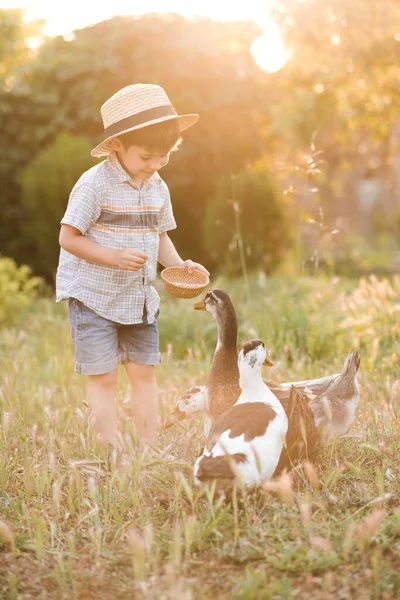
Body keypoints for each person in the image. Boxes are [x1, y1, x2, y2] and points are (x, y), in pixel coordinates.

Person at [56, 83, 209, 453]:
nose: (155, 165)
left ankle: (149, 447)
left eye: (164, 156)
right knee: (104, 376)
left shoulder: (158, 186)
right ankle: (109, 449)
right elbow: (68, 238)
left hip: (138, 299)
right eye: (146, 157)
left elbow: (159, 235)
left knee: (143, 372)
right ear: (118, 145)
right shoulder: (95, 185)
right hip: (94, 296)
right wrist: (113, 256)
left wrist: (179, 265)